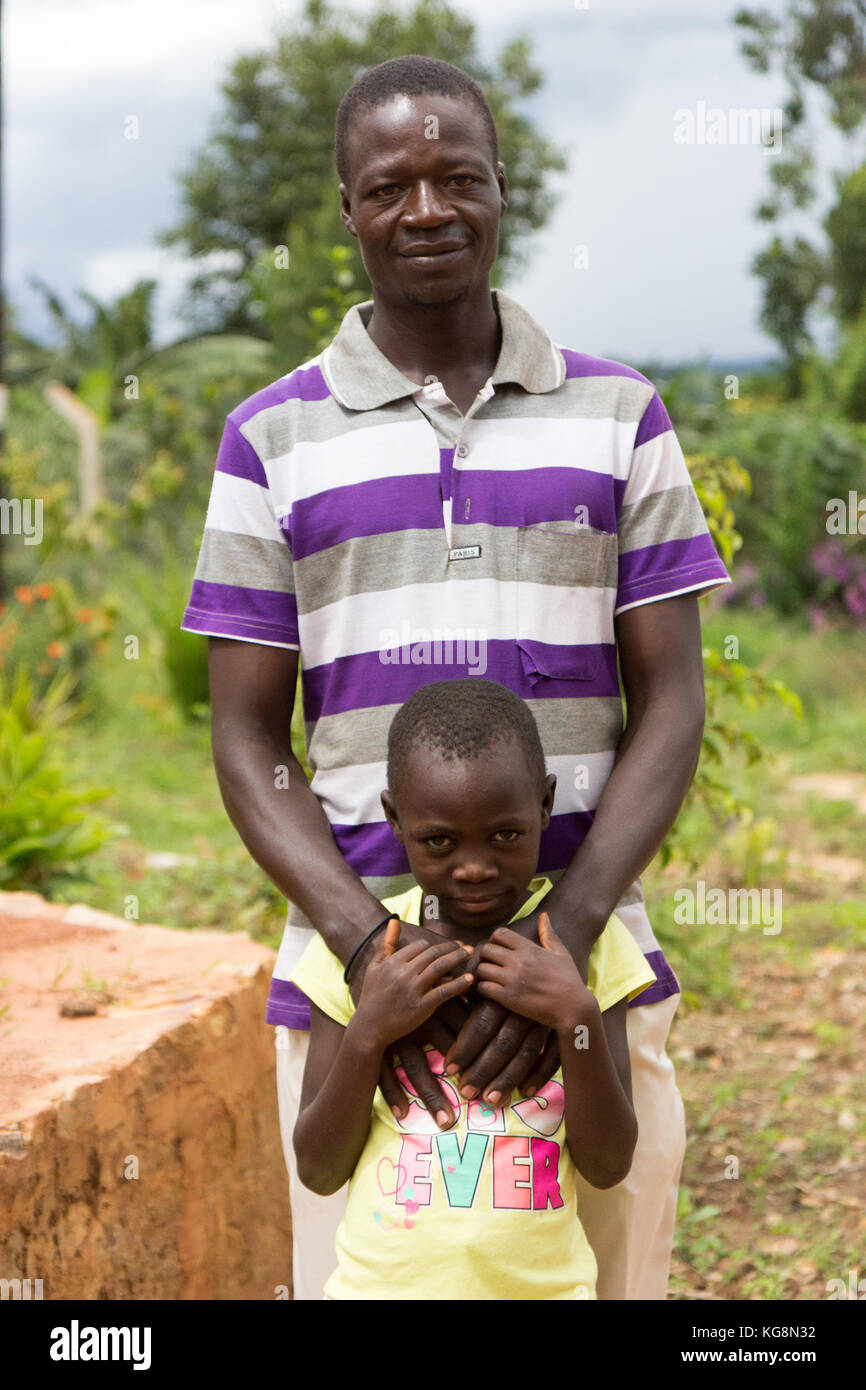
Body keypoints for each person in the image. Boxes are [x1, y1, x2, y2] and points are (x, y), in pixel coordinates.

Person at [181, 53, 731, 1300]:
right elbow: (246, 735)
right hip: (354, 992)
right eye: (390, 185)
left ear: (499, 190)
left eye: (454, 176)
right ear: (348, 211)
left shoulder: (618, 414)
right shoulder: (270, 437)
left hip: (580, 960)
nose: (424, 208)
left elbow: (673, 703)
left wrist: (564, 938)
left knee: (611, 1280)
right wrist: (373, 947)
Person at [291, 679, 658, 1299]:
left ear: (545, 806)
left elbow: (609, 1164)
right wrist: (368, 1032)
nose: (475, 867)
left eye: (505, 835)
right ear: (394, 821)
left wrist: (576, 1013)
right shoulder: (362, 962)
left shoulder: (585, 957)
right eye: (440, 841)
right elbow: (318, 1170)